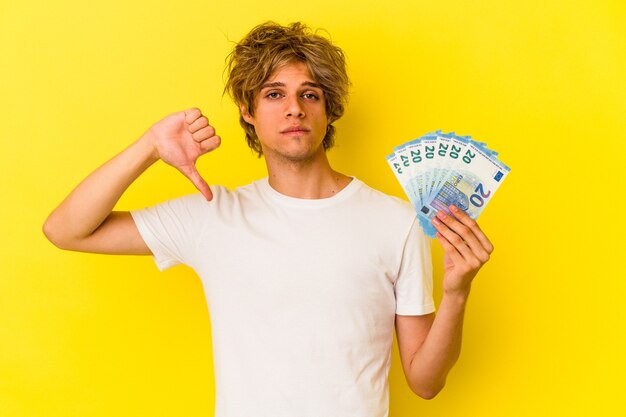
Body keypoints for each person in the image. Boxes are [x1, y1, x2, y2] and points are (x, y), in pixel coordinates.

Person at [43, 21, 494, 417]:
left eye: (309, 94)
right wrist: (148, 147)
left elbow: (425, 382)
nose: (294, 108)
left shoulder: (395, 221)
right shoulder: (212, 216)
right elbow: (64, 229)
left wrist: (457, 292)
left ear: (328, 109)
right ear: (248, 111)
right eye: (274, 94)